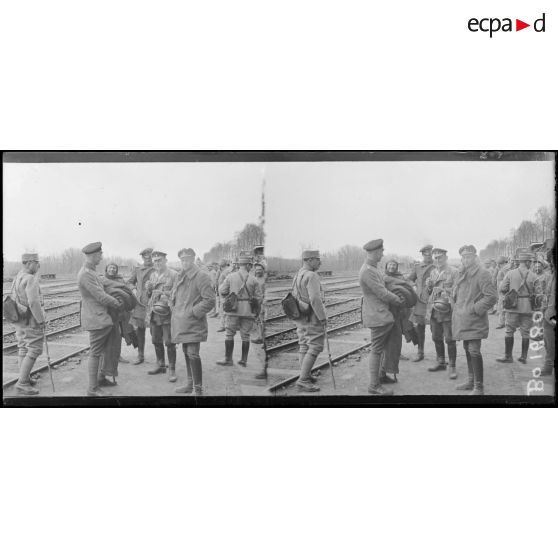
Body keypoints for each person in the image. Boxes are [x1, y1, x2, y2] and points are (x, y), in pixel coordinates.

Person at [360, 240, 405, 395]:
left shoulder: (373, 268)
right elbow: (382, 292)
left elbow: (385, 286)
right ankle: (374, 385)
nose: (382, 254)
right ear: (373, 252)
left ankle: (381, 376)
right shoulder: (367, 271)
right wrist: (398, 299)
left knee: (383, 348)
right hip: (377, 315)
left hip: (381, 314)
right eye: (381, 252)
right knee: (377, 350)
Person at [451, 245, 497, 395]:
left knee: (474, 351)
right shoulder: (461, 273)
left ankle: (479, 387)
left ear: (475, 257)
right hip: (463, 320)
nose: (465, 260)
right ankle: (471, 381)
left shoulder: (482, 273)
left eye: (468, 256)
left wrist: (473, 308)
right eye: (463, 257)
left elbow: (491, 297)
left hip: (475, 320)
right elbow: (457, 293)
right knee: (467, 349)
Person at [77, 242, 122, 396]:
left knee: (102, 351)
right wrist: (117, 303)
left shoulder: (91, 272)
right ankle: (92, 389)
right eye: (100, 255)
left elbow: (104, 283)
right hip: (96, 319)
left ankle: (100, 379)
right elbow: (100, 296)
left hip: (100, 317)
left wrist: (121, 287)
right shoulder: (85, 274)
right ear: (94, 255)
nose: (102, 257)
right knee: (96, 352)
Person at [171, 248, 216, 395]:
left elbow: (209, 300)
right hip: (182, 322)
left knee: (193, 354)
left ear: (193, 259)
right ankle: (190, 385)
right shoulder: (180, 276)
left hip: (194, 322)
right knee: (186, 351)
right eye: (182, 260)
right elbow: (177, 296)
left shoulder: (201, 276)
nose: (184, 262)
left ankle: (198, 389)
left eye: (187, 259)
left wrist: (191, 312)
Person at [288, 250, 328, 392]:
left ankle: (305, 374)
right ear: (310, 260)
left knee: (304, 345)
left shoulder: (298, 274)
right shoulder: (312, 275)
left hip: (300, 315)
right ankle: (303, 380)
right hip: (311, 316)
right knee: (315, 346)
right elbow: (315, 299)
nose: (320, 262)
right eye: (318, 259)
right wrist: (322, 318)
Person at [217, 255, 263, 374]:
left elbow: (221, 291)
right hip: (248, 312)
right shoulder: (254, 280)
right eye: (250, 265)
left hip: (233, 310)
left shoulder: (230, 277)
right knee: (245, 336)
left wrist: (230, 295)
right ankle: (243, 360)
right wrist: (255, 310)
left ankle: (228, 359)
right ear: (248, 265)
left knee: (229, 334)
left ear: (239, 265)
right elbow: (259, 298)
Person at [11, 253, 45, 395]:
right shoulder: (31, 278)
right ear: (30, 262)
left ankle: (24, 377)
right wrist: (41, 320)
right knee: (35, 349)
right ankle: (23, 383)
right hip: (30, 320)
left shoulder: (18, 276)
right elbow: (33, 302)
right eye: (37, 262)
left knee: (23, 348)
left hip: (19, 319)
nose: (38, 265)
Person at [497, 252, 537, 364]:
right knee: (526, 333)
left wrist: (510, 293)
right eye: (531, 262)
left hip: (512, 307)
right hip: (528, 307)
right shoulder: (534, 276)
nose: (531, 264)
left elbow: (502, 288)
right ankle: (523, 357)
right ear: (528, 262)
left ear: (520, 262)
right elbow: (538, 293)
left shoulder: (510, 273)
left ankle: (508, 356)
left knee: (509, 331)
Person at [424, 248, 459, 379]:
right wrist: (429, 286)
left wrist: (445, 290)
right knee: (436, 337)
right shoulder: (433, 272)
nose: (437, 260)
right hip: (434, 309)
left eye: (440, 257)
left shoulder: (454, 272)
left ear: (446, 258)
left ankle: (452, 366)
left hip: (447, 310)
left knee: (450, 339)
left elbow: (458, 290)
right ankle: (441, 362)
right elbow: (429, 292)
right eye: (436, 258)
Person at [145, 251, 178, 381]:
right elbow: (149, 296)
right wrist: (148, 290)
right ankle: (160, 365)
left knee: (169, 342)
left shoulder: (174, 274)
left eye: (159, 260)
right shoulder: (152, 275)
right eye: (155, 261)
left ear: (165, 260)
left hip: (167, 313)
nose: (157, 263)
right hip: (154, 313)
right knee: (155, 340)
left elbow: (178, 294)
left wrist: (164, 293)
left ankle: (172, 370)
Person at [380, 260, 415, 383]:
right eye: (390, 264)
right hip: (387, 313)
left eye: (394, 265)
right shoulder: (381, 277)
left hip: (399, 312)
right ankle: (382, 373)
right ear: (386, 266)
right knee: (386, 344)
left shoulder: (400, 277)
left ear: (396, 267)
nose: (392, 266)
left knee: (396, 340)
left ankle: (385, 371)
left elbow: (407, 291)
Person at [406, 244, 435, 362]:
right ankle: (420, 352)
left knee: (437, 328)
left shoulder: (437, 265)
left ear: (432, 254)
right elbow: (409, 279)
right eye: (425, 254)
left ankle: (440, 356)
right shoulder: (417, 267)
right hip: (420, 301)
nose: (428, 256)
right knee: (420, 327)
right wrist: (414, 287)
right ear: (422, 255)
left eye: (430, 253)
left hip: (434, 300)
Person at [127, 248, 156, 364]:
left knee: (156, 331)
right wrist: (133, 289)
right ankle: (140, 355)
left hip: (154, 303)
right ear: (142, 258)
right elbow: (129, 282)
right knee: (140, 330)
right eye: (145, 257)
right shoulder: (138, 269)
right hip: (140, 304)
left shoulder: (157, 268)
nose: (148, 258)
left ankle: (161, 359)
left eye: (150, 256)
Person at [541, 248, 555, 377]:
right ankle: (548, 365)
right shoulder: (552, 274)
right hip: (549, 315)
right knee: (548, 341)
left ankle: (548, 365)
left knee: (550, 341)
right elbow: (548, 294)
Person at [251, 262, 266, 344]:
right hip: (255, 303)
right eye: (257, 270)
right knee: (258, 321)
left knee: (262, 321)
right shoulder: (253, 278)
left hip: (262, 303)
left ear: (263, 270)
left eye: (260, 269)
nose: (258, 271)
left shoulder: (264, 280)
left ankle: (262, 338)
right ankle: (261, 337)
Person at [216, 258, 231, 331]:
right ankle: (226, 325)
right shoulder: (228, 271)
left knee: (223, 310)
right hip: (225, 293)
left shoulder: (225, 272)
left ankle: (223, 326)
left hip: (224, 293)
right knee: (225, 310)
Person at [494, 256, 510, 329]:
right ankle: (504, 323)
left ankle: (503, 323)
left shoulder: (505, 269)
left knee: (503, 307)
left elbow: (506, 280)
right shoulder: (505, 268)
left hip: (504, 290)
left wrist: (502, 288)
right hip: (503, 290)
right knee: (503, 307)